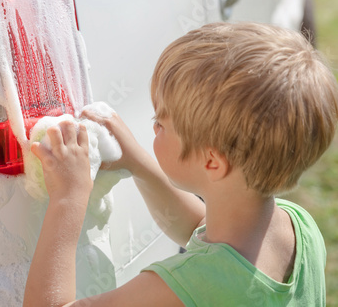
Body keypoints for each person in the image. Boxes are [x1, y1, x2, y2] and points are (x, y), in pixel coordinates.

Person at [22, 22, 338, 306]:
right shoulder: (300, 228)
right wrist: (138, 163)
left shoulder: (182, 287)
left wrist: (69, 197)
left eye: (160, 121)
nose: (153, 127)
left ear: (213, 162)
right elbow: (196, 228)